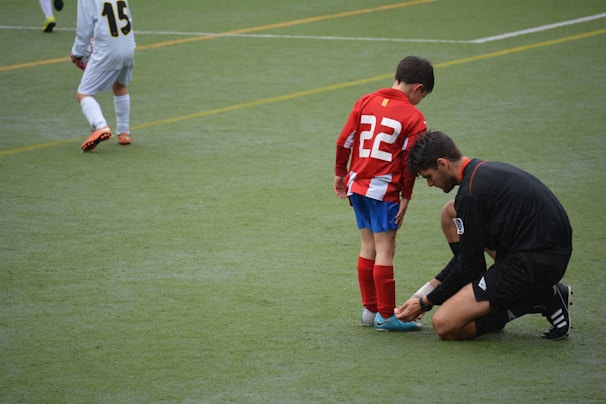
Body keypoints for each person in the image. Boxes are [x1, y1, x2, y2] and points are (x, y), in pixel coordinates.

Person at [395, 130, 573, 340]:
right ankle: (497, 296)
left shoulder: (470, 195)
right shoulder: (479, 173)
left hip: (534, 263)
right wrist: (422, 294)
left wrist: (426, 302)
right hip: (544, 252)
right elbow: (466, 259)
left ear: (442, 164)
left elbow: (471, 266)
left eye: (429, 177)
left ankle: (538, 298)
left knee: (445, 325)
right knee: (449, 213)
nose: (430, 184)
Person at [333, 56, 434, 332]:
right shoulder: (414, 117)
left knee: (368, 247)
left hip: (357, 185)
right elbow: (408, 162)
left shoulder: (365, 100)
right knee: (385, 249)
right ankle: (386, 316)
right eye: (422, 96)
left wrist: (340, 173)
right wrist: (406, 196)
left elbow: (344, 140)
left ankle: (370, 310)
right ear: (419, 88)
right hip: (384, 190)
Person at [71, 0, 136, 152]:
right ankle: (124, 132)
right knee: (120, 85)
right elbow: (129, 18)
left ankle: (100, 126)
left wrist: (78, 52)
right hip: (128, 45)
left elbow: (84, 28)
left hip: (107, 49)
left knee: (84, 93)